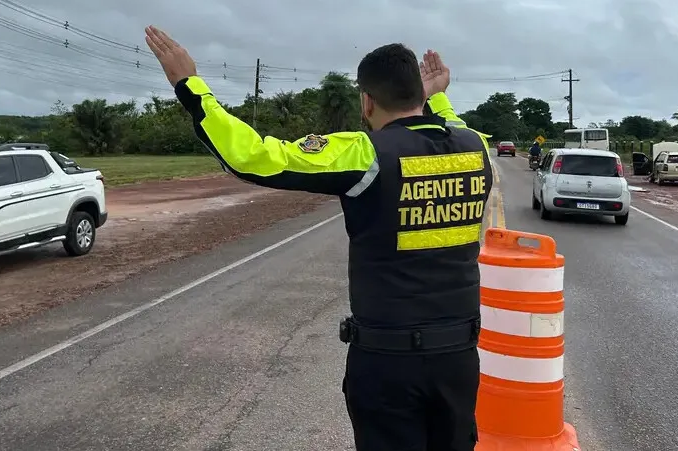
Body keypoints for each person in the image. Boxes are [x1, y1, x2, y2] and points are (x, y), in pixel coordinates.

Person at [144, 25, 493, 451]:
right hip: (458, 360)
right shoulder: (474, 147)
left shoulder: (364, 153)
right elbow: (448, 121)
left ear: (366, 100)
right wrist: (437, 95)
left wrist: (189, 84)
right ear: (420, 96)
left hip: (388, 363)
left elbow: (252, 155)